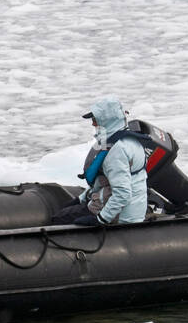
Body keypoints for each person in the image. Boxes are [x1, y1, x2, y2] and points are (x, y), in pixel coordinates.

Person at [55, 96, 148, 226]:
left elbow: (123, 193)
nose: (93, 123)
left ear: (106, 120)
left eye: (95, 119)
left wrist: (100, 220)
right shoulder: (123, 140)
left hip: (122, 216)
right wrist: (81, 199)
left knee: (59, 219)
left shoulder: (117, 151)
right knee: (66, 212)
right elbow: (104, 179)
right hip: (124, 206)